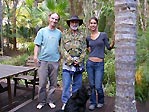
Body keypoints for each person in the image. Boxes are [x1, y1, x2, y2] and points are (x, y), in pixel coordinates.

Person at [33, 12, 62, 109]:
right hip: (43, 61)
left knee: (53, 84)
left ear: (58, 21)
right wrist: (35, 56)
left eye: (56, 19)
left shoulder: (59, 33)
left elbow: (62, 46)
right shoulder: (42, 31)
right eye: (53, 18)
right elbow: (37, 44)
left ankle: (50, 101)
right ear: (49, 18)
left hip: (54, 61)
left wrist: (60, 58)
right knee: (42, 83)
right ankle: (41, 101)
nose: (54, 21)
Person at [86, 16, 114, 110]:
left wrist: (114, 40)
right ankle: (93, 102)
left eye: (94, 23)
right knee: (92, 85)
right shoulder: (88, 38)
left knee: (98, 85)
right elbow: (88, 48)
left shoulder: (103, 35)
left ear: (97, 24)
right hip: (90, 64)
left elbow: (108, 47)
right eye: (91, 23)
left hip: (99, 64)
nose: (93, 25)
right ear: (89, 25)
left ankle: (101, 101)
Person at [61, 15, 86, 110]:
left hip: (79, 64)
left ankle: (75, 103)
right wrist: (71, 60)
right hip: (67, 63)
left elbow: (84, 50)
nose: (74, 24)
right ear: (70, 23)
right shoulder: (64, 34)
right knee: (67, 84)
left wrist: (79, 60)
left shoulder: (82, 35)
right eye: (72, 22)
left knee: (77, 85)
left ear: (78, 23)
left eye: (76, 22)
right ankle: (65, 102)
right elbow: (62, 48)